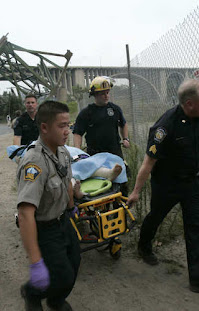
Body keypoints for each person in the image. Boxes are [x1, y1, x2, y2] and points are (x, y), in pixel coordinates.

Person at [127, 79, 199, 294]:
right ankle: (144, 246)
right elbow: (148, 162)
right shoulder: (166, 126)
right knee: (156, 215)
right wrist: (136, 192)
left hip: (192, 182)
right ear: (189, 104)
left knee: (196, 225)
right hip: (166, 184)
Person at [17, 100, 81, 311]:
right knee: (61, 273)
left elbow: (67, 182)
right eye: (62, 126)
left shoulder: (62, 152)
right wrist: (35, 262)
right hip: (45, 228)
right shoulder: (34, 162)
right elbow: (25, 213)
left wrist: (71, 207)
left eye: (68, 125)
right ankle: (32, 292)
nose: (67, 131)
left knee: (73, 264)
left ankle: (54, 299)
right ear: (44, 127)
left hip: (63, 221)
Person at [72, 76, 130, 158]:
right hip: (95, 156)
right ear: (94, 94)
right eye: (103, 93)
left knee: (123, 171)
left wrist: (125, 139)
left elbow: (123, 124)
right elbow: (77, 133)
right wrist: (77, 152)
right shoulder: (86, 113)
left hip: (115, 153)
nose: (106, 96)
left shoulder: (115, 109)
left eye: (107, 92)